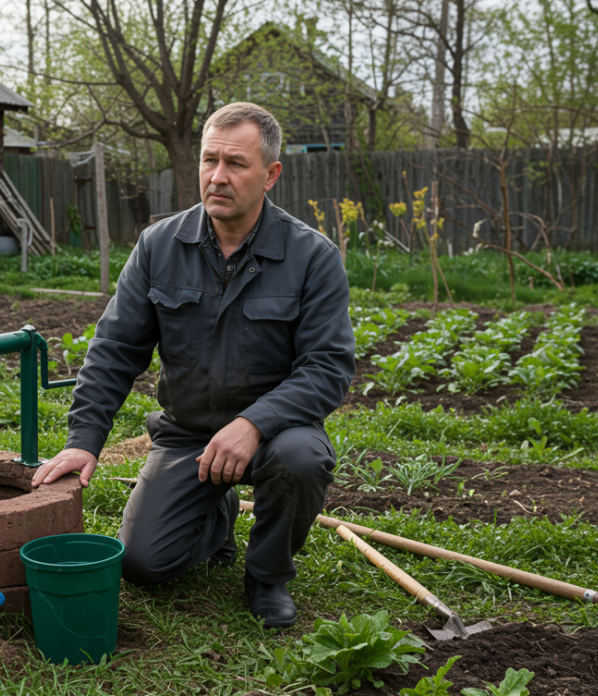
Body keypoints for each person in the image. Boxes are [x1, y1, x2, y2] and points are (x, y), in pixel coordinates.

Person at [31, 102, 355, 629]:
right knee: (141, 564)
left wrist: (253, 424)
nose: (217, 176)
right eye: (209, 160)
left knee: (302, 459)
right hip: (187, 435)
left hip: (277, 434)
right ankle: (215, 514)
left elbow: (328, 367)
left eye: (236, 163)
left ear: (270, 174)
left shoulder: (311, 256)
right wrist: (83, 439)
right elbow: (114, 348)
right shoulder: (160, 245)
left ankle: (267, 576)